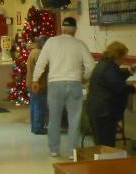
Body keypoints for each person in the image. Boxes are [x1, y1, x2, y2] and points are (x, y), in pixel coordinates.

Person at [32, 17, 94, 158]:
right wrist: (85, 77)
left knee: (54, 118)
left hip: (55, 84)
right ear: (75, 30)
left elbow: (41, 62)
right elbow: (91, 65)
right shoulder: (79, 44)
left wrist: (35, 79)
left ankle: (54, 149)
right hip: (74, 83)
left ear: (62, 28)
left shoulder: (52, 42)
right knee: (74, 119)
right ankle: (73, 152)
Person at [85, 41, 136, 147]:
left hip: (98, 109)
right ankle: (106, 162)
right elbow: (119, 87)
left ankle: (103, 161)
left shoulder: (105, 64)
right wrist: (134, 88)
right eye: (123, 58)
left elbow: (115, 76)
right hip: (104, 111)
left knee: (100, 142)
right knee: (106, 144)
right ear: (117, 56)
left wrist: (130, 70)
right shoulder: (108, 68)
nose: (123, 61)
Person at [25, 36, 49, 135]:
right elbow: (43, 68)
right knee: (39, 106)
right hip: (39, 84)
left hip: (31, 83)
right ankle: (39, 127)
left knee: (34, 106)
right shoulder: (39, 54)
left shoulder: (33, 52)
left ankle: (35, 127)